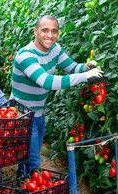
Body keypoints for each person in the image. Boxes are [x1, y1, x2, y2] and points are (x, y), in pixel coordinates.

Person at [10, 15, 105, 175]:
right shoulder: (25, 55)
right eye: (45, 30)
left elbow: (72, 67)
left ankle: (22, 189)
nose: (50, 35)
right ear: (35, 31)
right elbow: (47, 82)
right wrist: (87, 76)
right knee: (33, 161)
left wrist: (89, 66)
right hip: (22, 115)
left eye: (54, 31)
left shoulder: (55, 49)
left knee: (26, 159)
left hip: (38, 114)